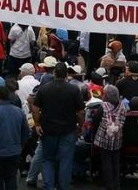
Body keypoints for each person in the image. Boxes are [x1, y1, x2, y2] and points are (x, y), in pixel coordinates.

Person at [32, 62, 85, 190]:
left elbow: (35, 108)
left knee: (48, 159)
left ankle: (49, 186)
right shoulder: (73, 89)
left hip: (48, 129)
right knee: (65, 162)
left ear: (54, 73)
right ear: (66, 74)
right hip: (68, 130)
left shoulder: (44, 88)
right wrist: (80, 126)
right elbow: (81, 112)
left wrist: (37, 124)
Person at [94, 85, 127, 190]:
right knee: (115, 163)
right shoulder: (122, 106)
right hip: (117, 139)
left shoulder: (103, 107)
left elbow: (95, 121)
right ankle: (116, 185)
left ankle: (109, 185)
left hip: (104, 139)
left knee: (106, 163)